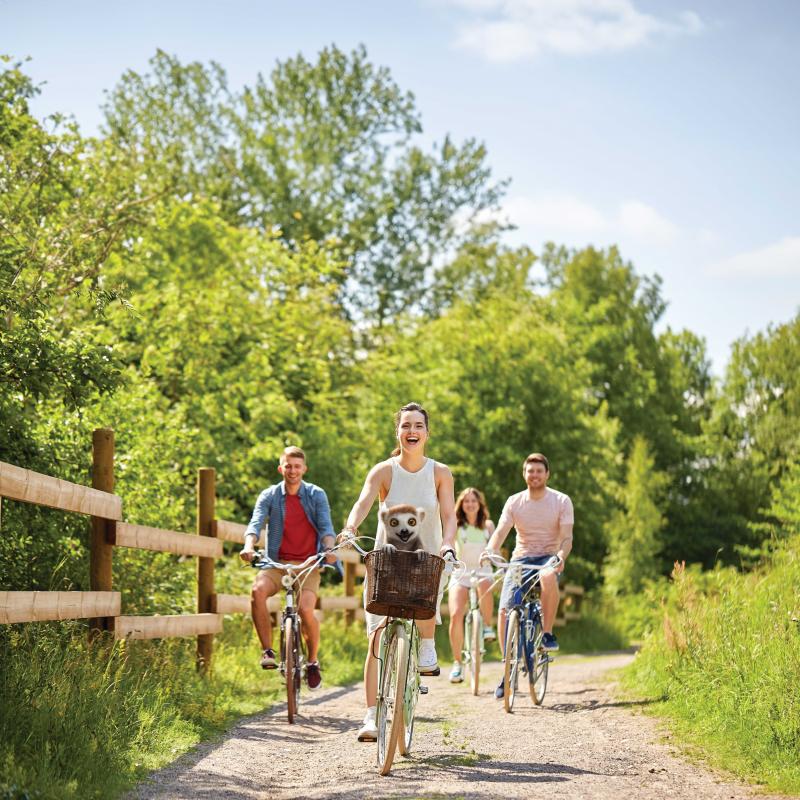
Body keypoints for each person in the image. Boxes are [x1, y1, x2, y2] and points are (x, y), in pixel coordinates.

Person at [339, 402, 457, 741]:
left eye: (418, 425)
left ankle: (427, 645)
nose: (412, 431)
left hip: (425, 560)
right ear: (398, 432)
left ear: (427, 433)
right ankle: (371, 716)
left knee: (424, 604)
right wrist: (349, 527)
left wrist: (448, 543)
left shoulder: (440, 473)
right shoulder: (384, 471)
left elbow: (450, 517)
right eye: (406, 426)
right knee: (376, 638)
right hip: (388, 562)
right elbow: (363, 502)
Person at [240, 446, 337, 690]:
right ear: (280, 468)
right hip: (277, 563)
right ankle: (268, 651)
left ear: (304, 469)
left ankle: (313, 662)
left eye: (297, 466)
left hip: (307, 564)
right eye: (288, 466)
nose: (292, 470)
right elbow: (255, 522)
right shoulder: (270, 495)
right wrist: (248, 545)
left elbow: (326, 529)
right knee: (257, 591)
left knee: (305, 610)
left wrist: (329, 549)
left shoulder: (316, 494)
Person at [482, 452, 573, 700]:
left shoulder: (561, 501)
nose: (534, 475)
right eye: (530, 471)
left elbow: (566, 537)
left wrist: (560, 557)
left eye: (538, 471)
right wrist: (489, 550)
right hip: (521, 559)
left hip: (548, 557)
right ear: (524, 474)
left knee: (546, 578)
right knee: (504, 610)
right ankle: (507, 669)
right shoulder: (515, 501)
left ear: (547, 474)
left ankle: (547, 634)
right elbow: (500, 532)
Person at [447, 487, 496, 683]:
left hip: (483, 570)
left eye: (473, 500)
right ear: (462, 504)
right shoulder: (456, 525)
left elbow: (495, 548)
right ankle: (457, 663)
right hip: (461, 572)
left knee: (485, 584)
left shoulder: (488, 526)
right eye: (466, 501)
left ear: (479, 503)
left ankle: (486, 626)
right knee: (456, 613)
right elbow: (448, 542)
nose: (470, 504)